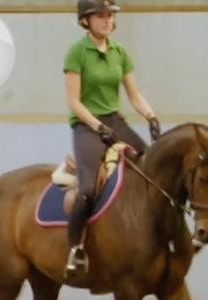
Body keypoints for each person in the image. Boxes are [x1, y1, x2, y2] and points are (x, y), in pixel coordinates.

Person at [64, 0, 161, 274]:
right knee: (87, 190)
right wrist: (97, 127)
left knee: (151, 171)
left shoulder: (120, 52)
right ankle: (75, 249)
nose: (107, 20)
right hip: (87, 126)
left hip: (115, 121)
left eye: (109, 16)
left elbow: (133, 94)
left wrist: (151, 116)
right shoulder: (76, 53)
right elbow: (74, 101)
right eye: (100, 16)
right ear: (86, 20)